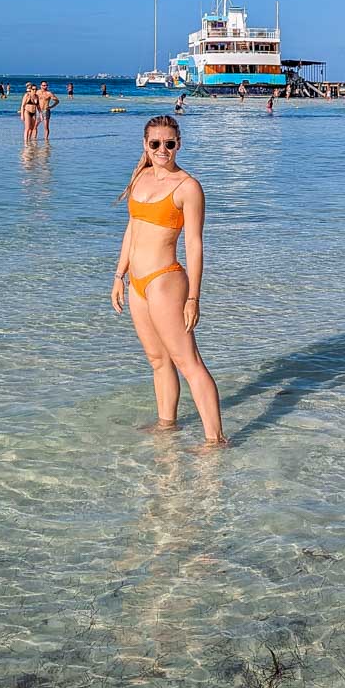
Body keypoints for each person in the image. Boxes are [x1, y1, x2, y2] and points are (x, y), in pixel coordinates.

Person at [111, 115, 226, 446]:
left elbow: (195, 245)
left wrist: (194, 297)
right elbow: (132, 229)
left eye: (169, 144)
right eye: (155, 144)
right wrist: (119, 275)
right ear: (145, 145)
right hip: (137, 282)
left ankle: (215, 441)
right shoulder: (140, 176)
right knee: (158, 360)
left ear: (179, 145)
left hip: (166, 281)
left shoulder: (188, 187)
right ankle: (167, 426)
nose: (163, 150)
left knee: (188, 362)